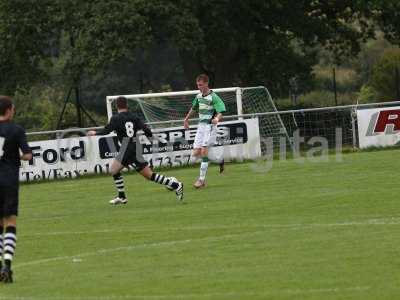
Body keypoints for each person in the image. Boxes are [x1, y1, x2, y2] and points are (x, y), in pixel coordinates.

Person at [87, 96, 184, 204]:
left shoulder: (116, 118)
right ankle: (122, 196)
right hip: (134, 146)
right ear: (126, 105)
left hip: (127, 148)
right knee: (117, 171)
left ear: (116, 106)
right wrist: (151, 138)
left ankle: (176, 185)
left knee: (146, 175)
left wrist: (95, 133)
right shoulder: (134, 117)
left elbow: (107, 130)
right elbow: (146, 129)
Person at [0, 96, 32, 283]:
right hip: (9, 180)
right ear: (9, 110)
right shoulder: (16, 129)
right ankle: (7, 266)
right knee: (10, 222)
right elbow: (28, 155)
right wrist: (17, 155)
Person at [183, 74, 226, 188]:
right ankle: (219, 160)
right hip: (201, 127)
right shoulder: (198, 96)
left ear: (206, 84)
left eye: (201, 85)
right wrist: (186, 119)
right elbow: (194, 108)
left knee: (203, 153)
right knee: (196, 153)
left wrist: (216, 118)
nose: (199, 87)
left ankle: (201, 181)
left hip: (210, 127)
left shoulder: (214, 97)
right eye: (198, 85)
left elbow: (221, 110)